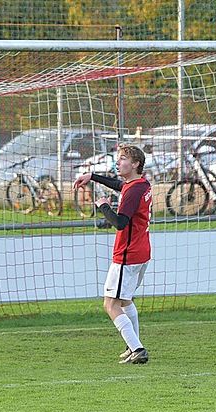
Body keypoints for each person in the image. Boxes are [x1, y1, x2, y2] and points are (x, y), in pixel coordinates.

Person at [73, 144, 152, 365]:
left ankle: (137, 348)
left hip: (127, 254)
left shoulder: (134, 189)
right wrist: (93, 177)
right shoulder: (140, 184)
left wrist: (104, 206)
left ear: (135, 164)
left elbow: (120, 222)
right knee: (125, 299)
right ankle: (133, 344)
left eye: (123, 159)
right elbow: (120, 185)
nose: (118, 162)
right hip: (141, 250)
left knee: (110, 304)